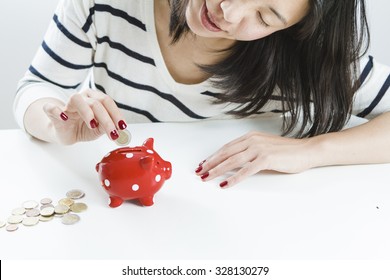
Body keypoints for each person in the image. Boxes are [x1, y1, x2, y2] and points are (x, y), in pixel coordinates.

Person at [13, 0, 390, 188]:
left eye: (264, 18)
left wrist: (312, 151)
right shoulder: (104, 6)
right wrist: (54, 122)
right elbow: (36, 89)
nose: (228, 11)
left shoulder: (305, 57)